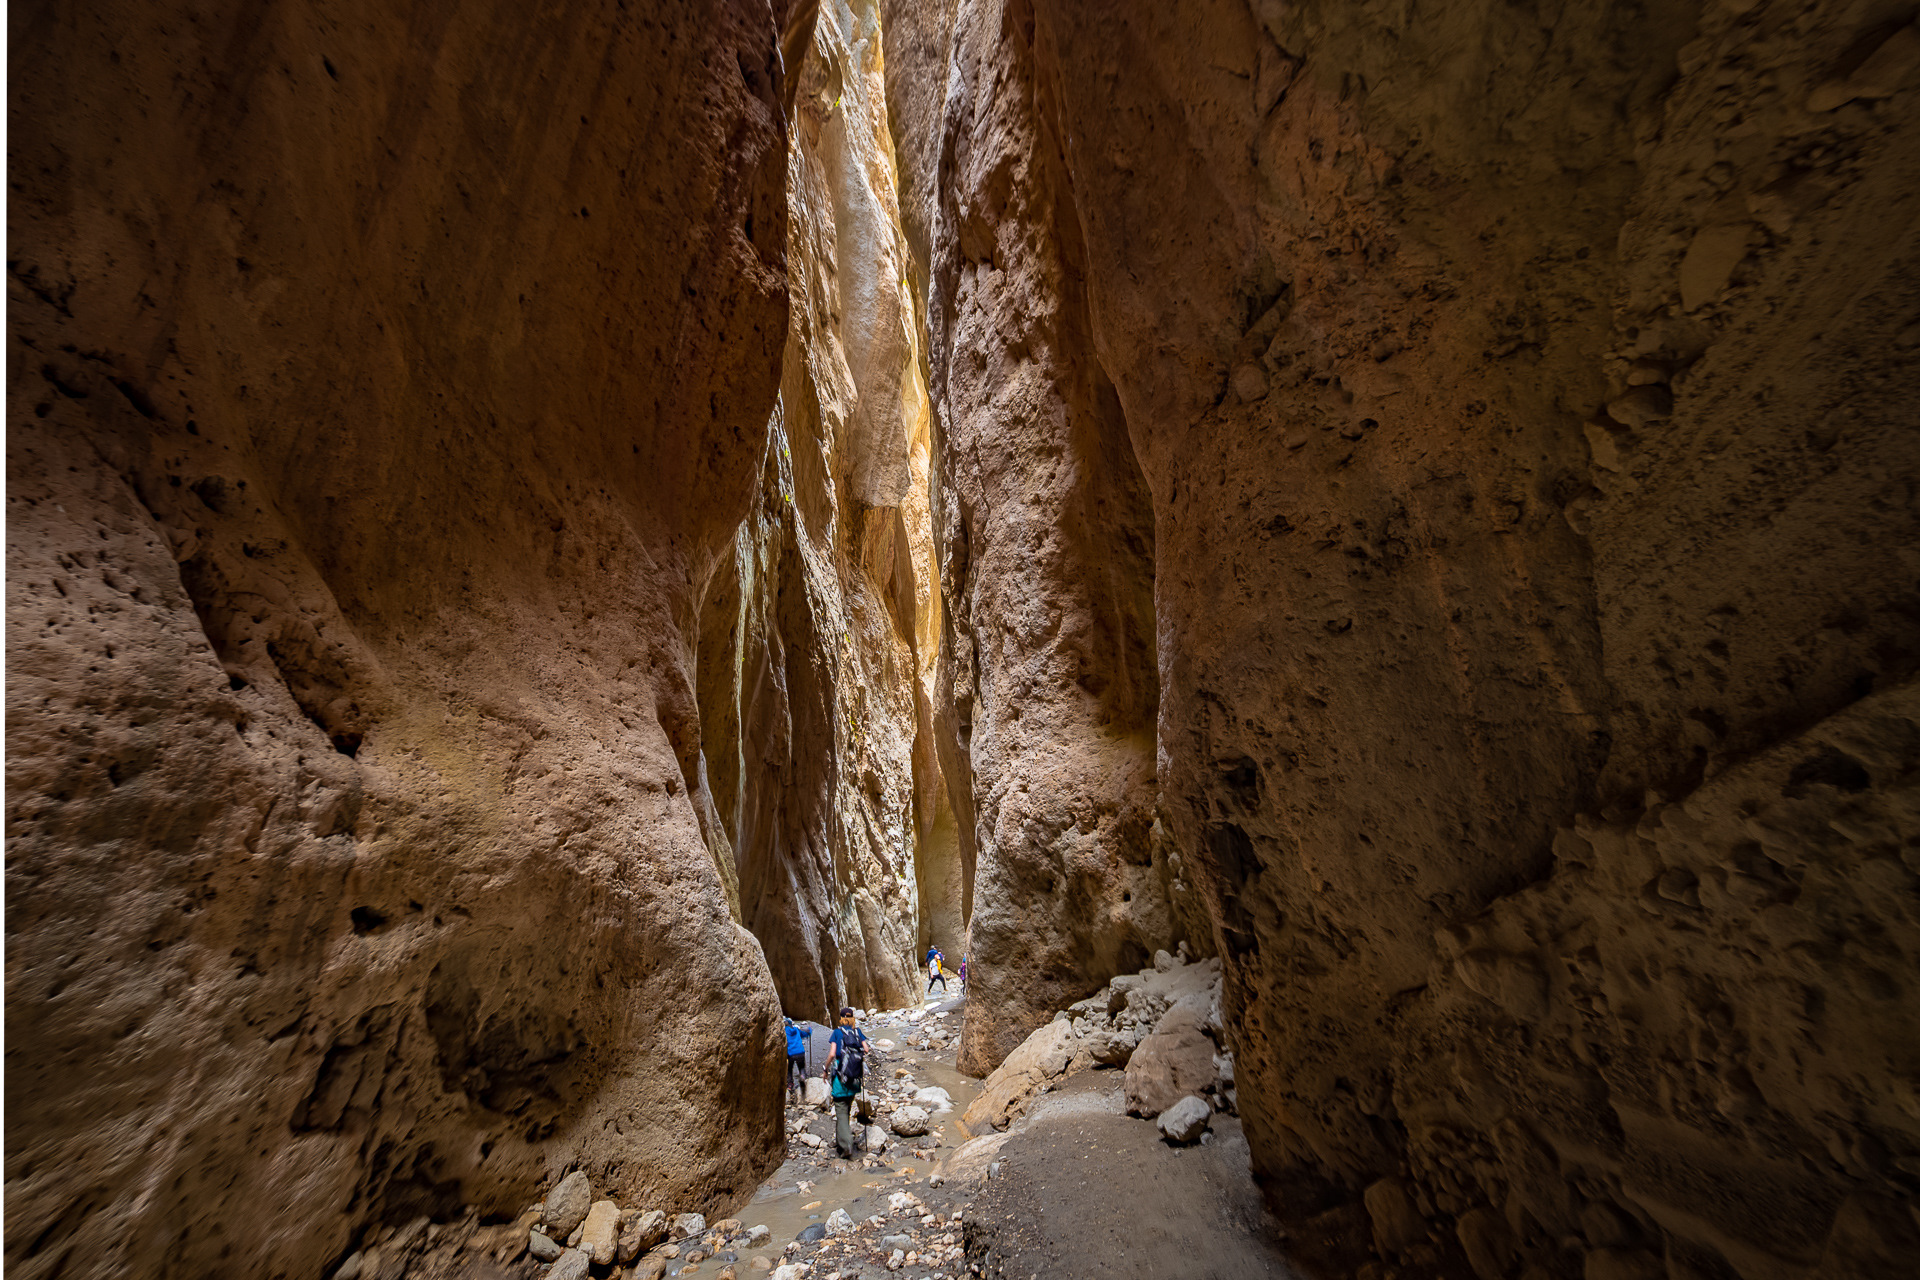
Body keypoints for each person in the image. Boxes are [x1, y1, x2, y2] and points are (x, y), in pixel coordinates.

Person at [821, 1006, 870, 1158]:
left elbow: (831, 1054)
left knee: (841, 1112)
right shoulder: (857, 1032)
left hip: (840, 1079)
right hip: (854, 1079)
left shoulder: (837, 1032)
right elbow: (866, 1050)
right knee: (846, 1109)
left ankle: (846, 1145)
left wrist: (825, 1069)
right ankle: (842, 1140)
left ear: (841, 1019)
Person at [783, 1016, 810, 1103]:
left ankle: (790, 1085)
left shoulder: (785, 1031)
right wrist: (809, 1030)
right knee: (801, 1067)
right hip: (800, 1052)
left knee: (789, 1069)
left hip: (790, 1054)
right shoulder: (797, 1030)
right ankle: (802, 1076)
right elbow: (805, 1034)